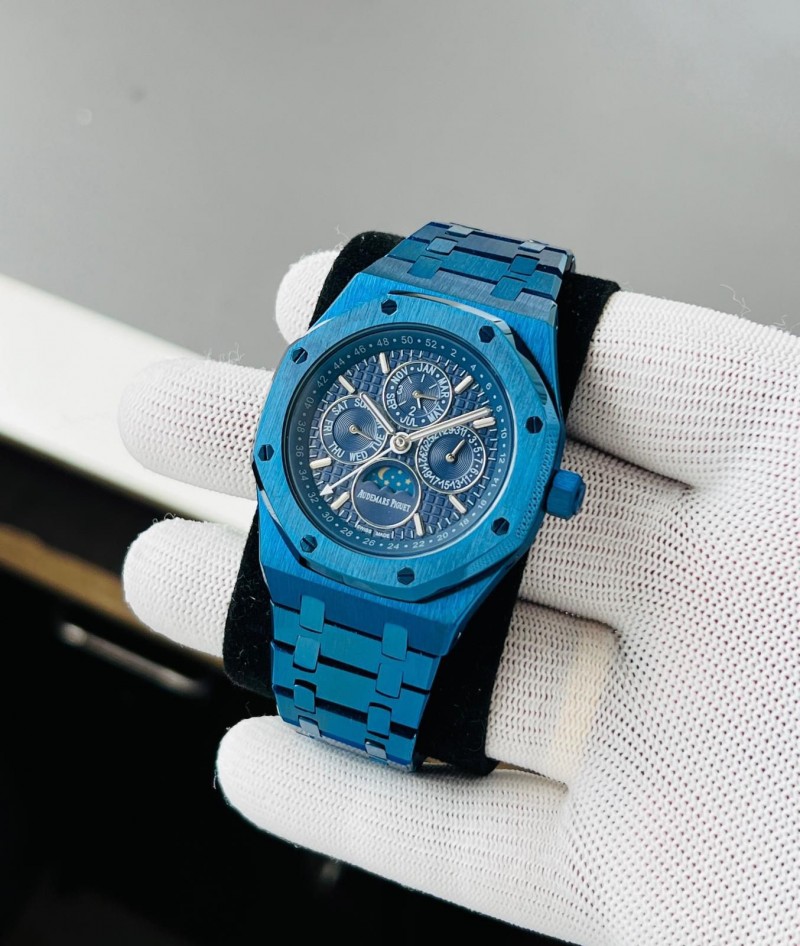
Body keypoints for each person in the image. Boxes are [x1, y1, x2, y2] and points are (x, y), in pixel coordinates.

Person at [119, 238, 799, 946]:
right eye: (377, 431)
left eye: (440, 447)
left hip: (423, 591)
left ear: (550, 490)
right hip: (305, 549)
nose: (400, 447)